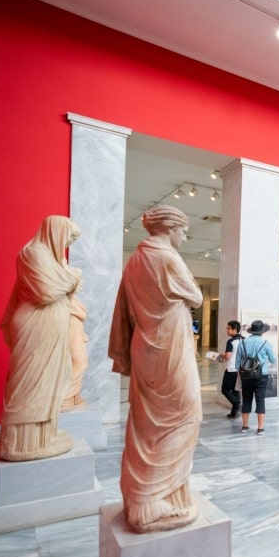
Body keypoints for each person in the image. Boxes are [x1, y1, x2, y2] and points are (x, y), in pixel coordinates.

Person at [108, 205, 203, 533]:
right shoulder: (166, 257)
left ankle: (150, 494)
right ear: (171, 227)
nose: (185, 236)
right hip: (168, 349)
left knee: (148, 423)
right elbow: (197, 296)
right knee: (186, 416)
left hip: (145, 346)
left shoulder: (135, 259)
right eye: (184, 230)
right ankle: (150, 500)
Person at [0, 215, 82, 461]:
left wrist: (68, 277)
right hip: (36, 324)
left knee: (51, 380)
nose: (67, 242)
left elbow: (62, 290)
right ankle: (20, 444)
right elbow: (47, 291)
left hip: (51, 325)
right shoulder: (33, 253)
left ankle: (44, 437)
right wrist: (74, 275)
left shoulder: (51, 257)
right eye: (68, 236)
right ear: (56, 230)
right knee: (31, 382)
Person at [237, 320, 277, 434]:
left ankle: (245, 426)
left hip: (246, 375)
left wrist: (239, 372)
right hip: (261, 376)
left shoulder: (243, 343)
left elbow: (238, 361)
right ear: (261, 332)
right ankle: (260, 428)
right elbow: (272, 359)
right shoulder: (266, 343)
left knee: (246, 399)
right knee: (260, 400)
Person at [220, 320, 243, 419]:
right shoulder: (243, 339)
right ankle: (234, 413)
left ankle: (237, 403)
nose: (227, 330)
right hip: (240, 369)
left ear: (235, 330)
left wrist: (221, 355)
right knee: (235, 390)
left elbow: (227, 356)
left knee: (225, 390)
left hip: (231, 369)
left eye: (229, 328)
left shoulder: (231, 341)